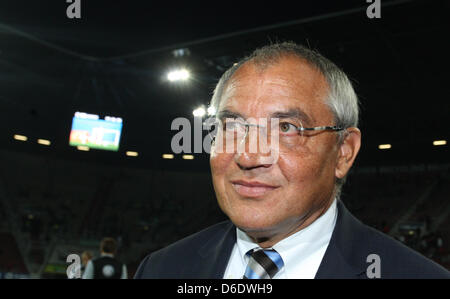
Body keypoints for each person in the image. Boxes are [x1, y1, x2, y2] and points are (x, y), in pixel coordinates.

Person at [134, 42, 450, 279]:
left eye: (286, 128)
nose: (248, 155)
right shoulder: (162, 269)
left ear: (344, 152)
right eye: (231, 126)